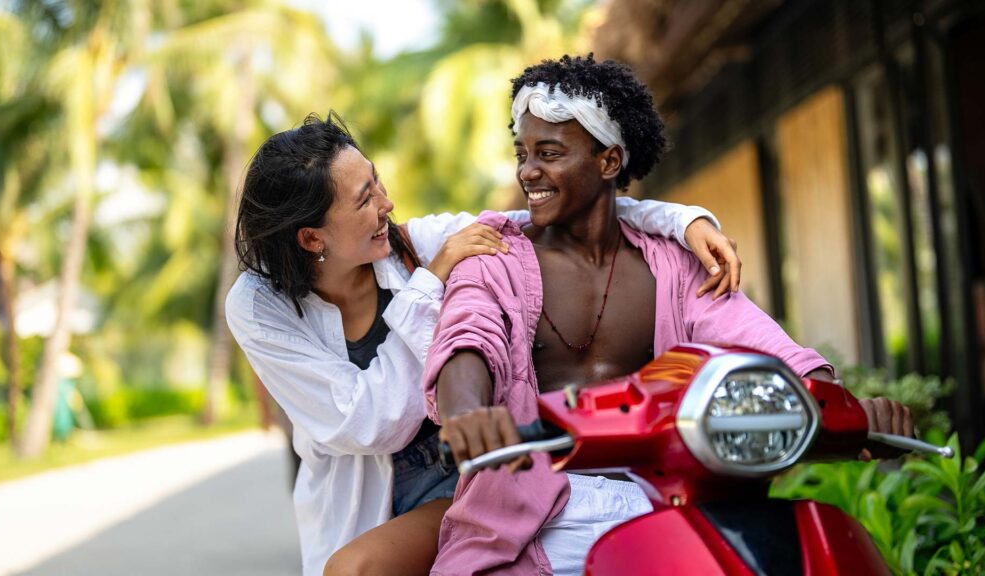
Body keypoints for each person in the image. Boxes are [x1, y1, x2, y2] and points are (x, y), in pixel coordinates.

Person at [424, 54, 914, 576]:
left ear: (609, 162)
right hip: (525, 526)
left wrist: (844, 406)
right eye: (522, 153)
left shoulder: (675, 263)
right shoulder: (492, 255)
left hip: (668, 514)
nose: (528, 171)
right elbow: (468, 340)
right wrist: (468, 413)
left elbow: (762, 344)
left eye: (549, 153)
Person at [223, 112, 743, 576]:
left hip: (466, 472)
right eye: (364, 200)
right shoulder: (258, 306)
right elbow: (365, 424)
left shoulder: (414, 244)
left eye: (376, 182)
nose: (388, 203)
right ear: (312, 239)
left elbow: (558, 216)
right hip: (366, 491)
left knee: (358, 569)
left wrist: (682, 220)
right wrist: (431, 283)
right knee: (352, 567)